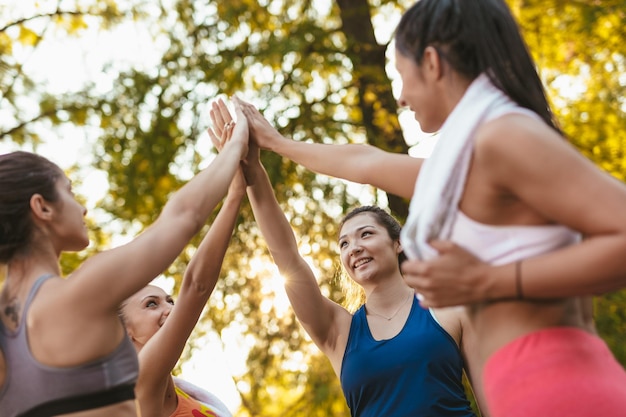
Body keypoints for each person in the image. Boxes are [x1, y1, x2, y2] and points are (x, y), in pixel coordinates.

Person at [234, 0, 626, 416]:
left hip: (560, 390)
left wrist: (486, 281)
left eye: (402, 76)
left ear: (433, 63)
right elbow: (364, 162)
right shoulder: (470, 164)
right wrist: (275, 144)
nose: (400, 98)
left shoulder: (501, 136)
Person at [211, 99, 482, 416]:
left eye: (366, 234)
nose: (354, 247)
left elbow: (494, 400)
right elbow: (286, 256)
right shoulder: (338, 331)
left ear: (398, 243)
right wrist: (252, 170)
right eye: (344, 243)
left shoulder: (449, 306)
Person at [0, 109, 248, 417]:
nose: (83, 208)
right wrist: (238, 143)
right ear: (42, 207)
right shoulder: (79, 294)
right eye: (69, 192)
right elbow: (184, 216)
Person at [118, 117, 244, 417]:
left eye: (169, 300)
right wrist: (235, 193)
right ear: (124, 330)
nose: (171, 309)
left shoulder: (188, 394)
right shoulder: (138, 386)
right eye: (151, 304)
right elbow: (197, 287)